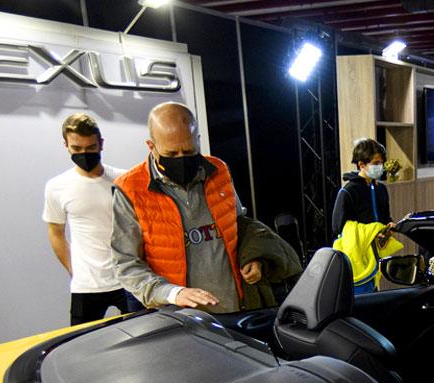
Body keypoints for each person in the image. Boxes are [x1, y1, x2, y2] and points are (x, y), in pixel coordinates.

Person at [112, 102, 297, 313]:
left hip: (236, 308)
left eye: (189, 151)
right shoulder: (130, 190)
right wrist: (172, 292)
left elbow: (239, 225)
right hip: (180, 319)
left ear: (198, 141)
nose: (181, 159)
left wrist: (253, 258)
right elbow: (126, 263)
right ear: (151, 146)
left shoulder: (219, 171)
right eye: (171, 154)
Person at [43, 114, 142, 326]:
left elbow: (142, 227)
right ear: (66, 146)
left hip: (127, 278)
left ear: (101, 144)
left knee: (142, 340)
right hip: (86, 285)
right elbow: (55, 232)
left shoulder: (124, 180)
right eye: (77, 149)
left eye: (90, 147)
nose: (84, 154)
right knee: (80, 347)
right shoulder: (57, 186)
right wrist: (72, 269)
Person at [331, 138, 393, 238]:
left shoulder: (381, 188)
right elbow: (338, 227)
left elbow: (385, 217)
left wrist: (389, 225)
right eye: (376, 163)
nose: (380, 167)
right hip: (357, 250)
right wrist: (369, 233)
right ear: (361, 165)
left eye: (381, 163)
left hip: (379, 248)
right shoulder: (348, 191)